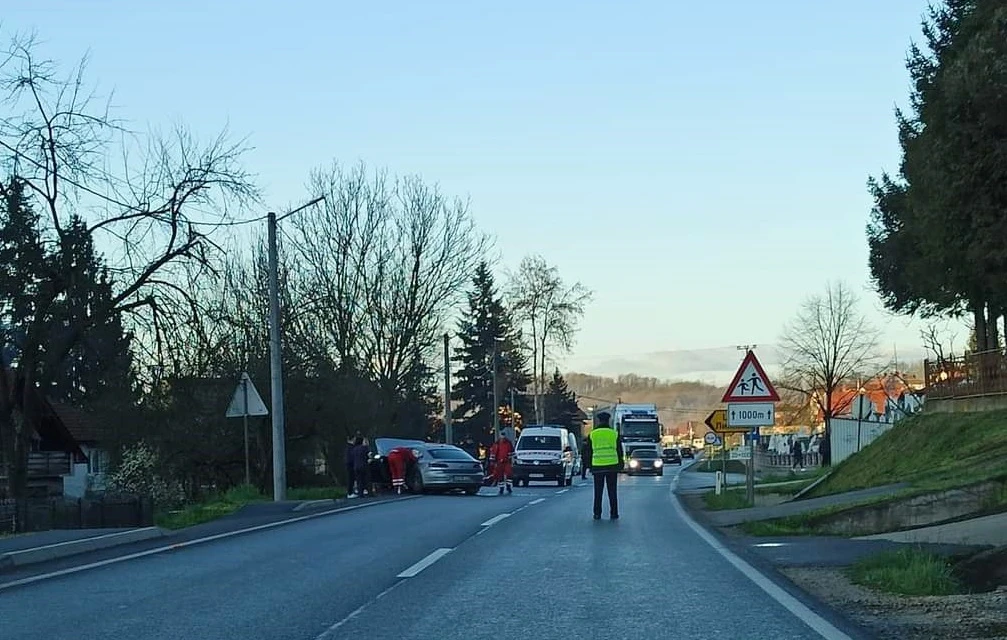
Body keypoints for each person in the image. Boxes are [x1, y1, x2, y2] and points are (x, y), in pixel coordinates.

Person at [583, 411, 624, 520]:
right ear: (608, 420)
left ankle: (597, 513)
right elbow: (620, 451)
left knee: (598, 492)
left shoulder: (593, 434)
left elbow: (588, 452)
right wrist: (621, 464)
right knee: (612, 491)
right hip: (612, 466)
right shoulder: (614, 434)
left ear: (599, 421)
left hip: (597, 466)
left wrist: (588, 466)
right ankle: (614, 513)